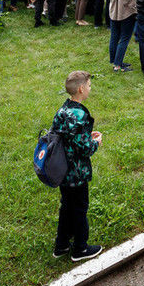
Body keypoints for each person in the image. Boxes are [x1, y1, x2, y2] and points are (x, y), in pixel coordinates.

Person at [51, 71, 103, 261]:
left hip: (62, 170)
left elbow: (67, 138)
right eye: (89, 85)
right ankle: (80, 248)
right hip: (77, 173)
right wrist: (95, 142)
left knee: (66, 207)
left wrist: (85, 136)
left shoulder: (63, 110)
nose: (90, 89)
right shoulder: (79, 114)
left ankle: (61, 245)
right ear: (81, 89)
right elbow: (85, 149)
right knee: (80, 208)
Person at [108, 0, 136, 71]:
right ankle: (118, 65)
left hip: (114, 9)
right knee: (124, 37)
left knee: (114, 36)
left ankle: (115, 60)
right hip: (127, 10)